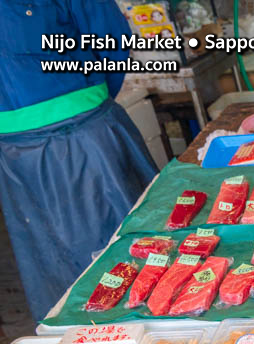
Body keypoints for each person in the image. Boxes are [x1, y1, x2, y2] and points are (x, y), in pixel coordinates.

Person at [0, 0, 158, 320]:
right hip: (17, 155)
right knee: (52, 265)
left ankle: (153, 335)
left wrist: (84, 110)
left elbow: (110, 41)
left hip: (84, 139)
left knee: (130, 256)